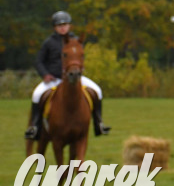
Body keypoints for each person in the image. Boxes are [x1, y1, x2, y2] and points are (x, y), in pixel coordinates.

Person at [24, 11, 111, 139]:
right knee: (36, 94)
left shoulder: (76, 41)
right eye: (59, 25)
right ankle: (35, 127)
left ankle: (99, 124)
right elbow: (39, 61)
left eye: (65, 24)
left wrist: (80, 67)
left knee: (97, 91)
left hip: (74, 78)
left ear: (69, 25)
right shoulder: (49, 42)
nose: (63, 27)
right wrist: (45, 74)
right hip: (54, 79)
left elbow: (81, 57)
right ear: (55, 27)